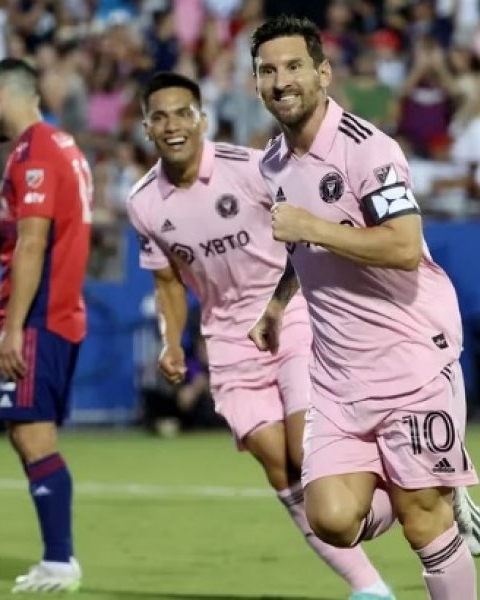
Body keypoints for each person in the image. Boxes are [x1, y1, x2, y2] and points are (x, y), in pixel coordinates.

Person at [127, 71, 394, 600]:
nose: (173, 125)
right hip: (227, 345)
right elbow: (167, 282)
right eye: (160, 116)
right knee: (282, 469)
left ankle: (414, 490)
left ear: (202, 118)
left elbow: (307, 227)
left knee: (310, 456)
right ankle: (371, 589)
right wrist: (172, 340)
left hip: (290, 315)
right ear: (146, 127)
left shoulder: (248, 167)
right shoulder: (143, 202)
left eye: (183, 113)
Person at [250, 16, 479, 598]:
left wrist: (313, 225)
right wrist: (278, 305)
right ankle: (428, 484)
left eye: (294, 66)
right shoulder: (272, 163)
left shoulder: (366, 149)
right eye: (268, 70)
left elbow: (403, 247)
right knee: (330, 517)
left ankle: (428, 493)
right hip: (338, 376)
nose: (282, 81)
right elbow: (301, 251)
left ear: (323, 73)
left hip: (408, 359)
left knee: (424, 522)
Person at [0, 57, 92, 593]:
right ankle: (57, 556)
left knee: (31, 434)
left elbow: (32, 242)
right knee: (28, 432)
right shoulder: (65, 145)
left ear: (1, 93)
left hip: (39, 316)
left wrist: (11, 327)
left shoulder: (34, 152)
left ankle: (59, 560)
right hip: (59, 313)